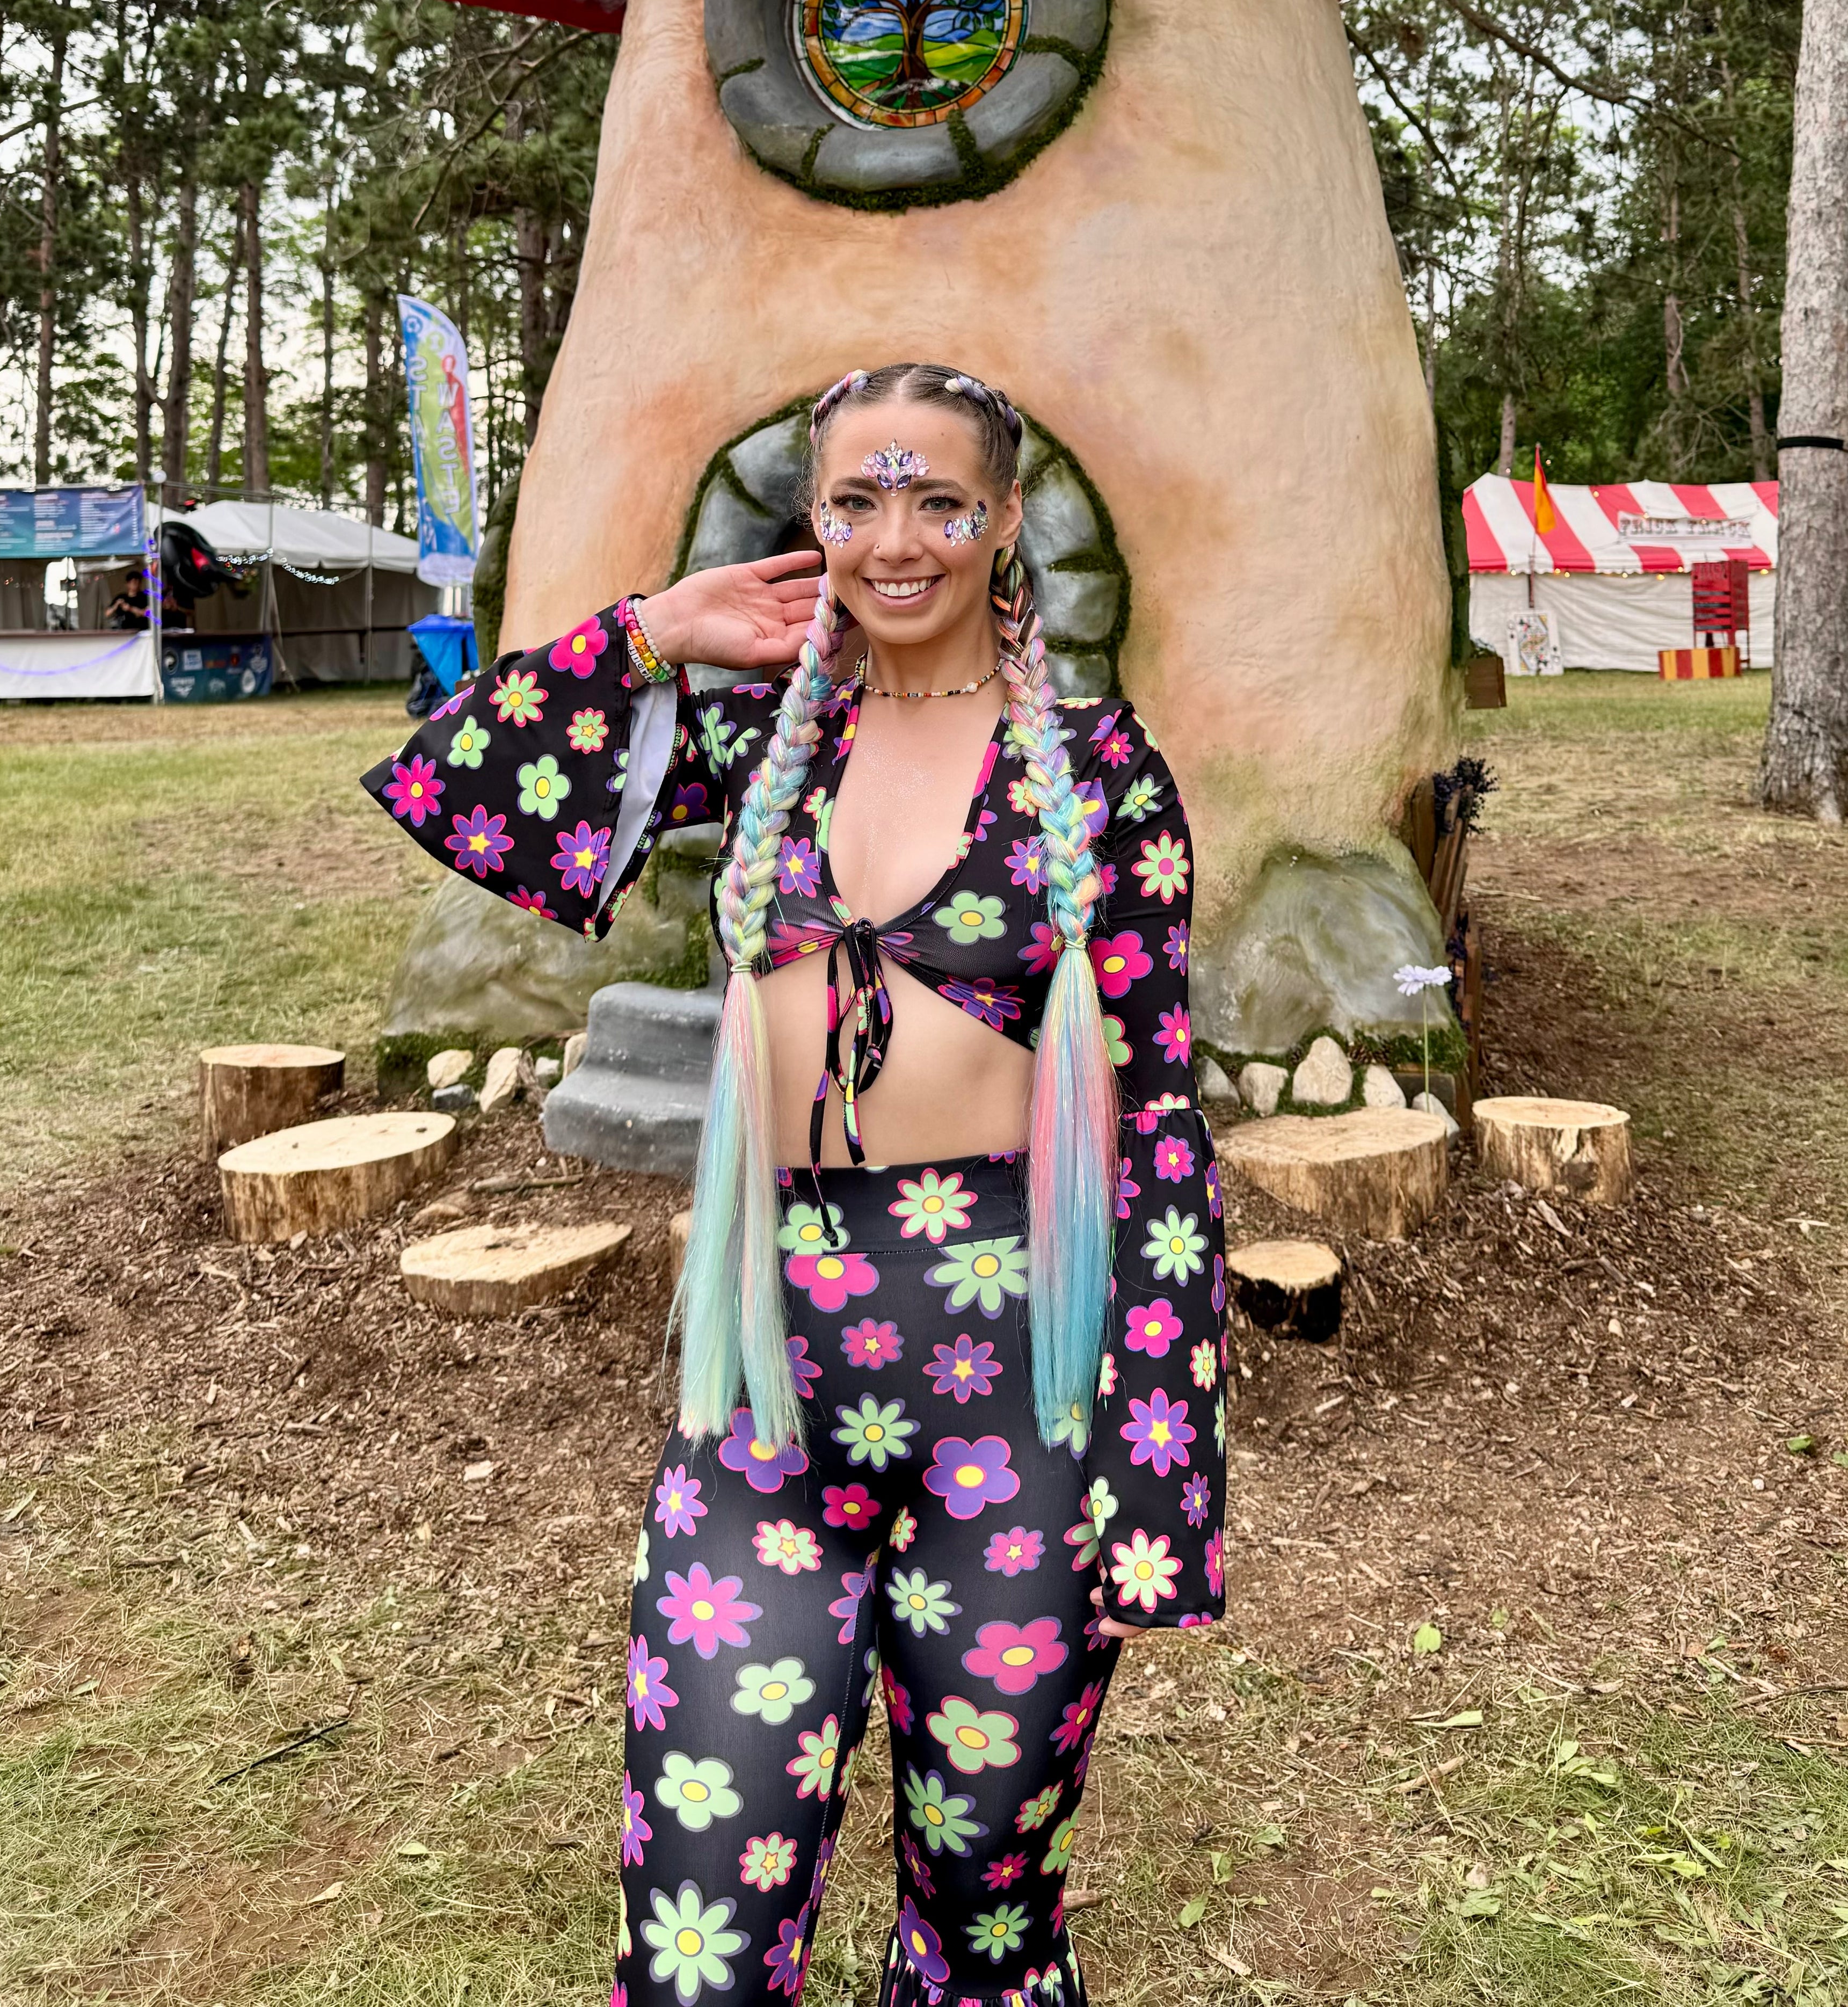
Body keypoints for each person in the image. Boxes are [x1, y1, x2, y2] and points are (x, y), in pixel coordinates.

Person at [366, 362, 1224, 2006]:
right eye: (854, 500)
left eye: (935, 500)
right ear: (812, 519)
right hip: (763, 1382)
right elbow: (455, 791)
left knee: (981, 1916)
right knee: (697, 1914)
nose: (893, 540)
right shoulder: (764, 731)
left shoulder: (1099, 774)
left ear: (1002, 520)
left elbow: (1158, 1132)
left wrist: (1156, 1466)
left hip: (1017, 1400)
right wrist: (651, 633)